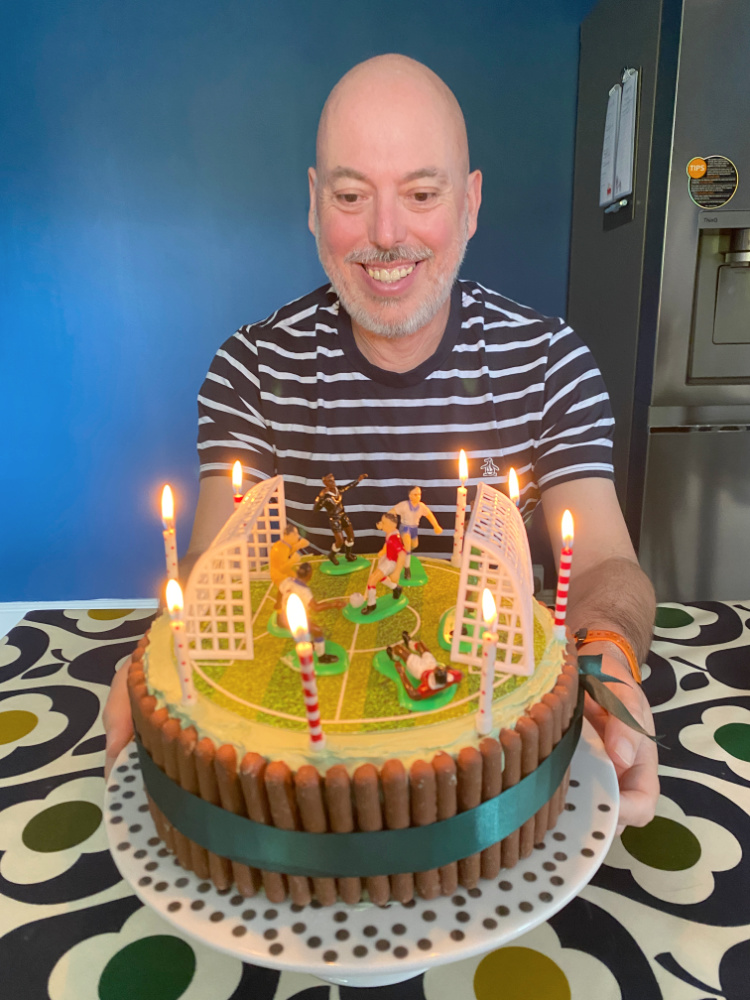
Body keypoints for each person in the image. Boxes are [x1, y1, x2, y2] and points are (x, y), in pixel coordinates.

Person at [105, 54, 658, 837]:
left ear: (469, 204)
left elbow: (607, 565)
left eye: (422, 194)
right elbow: (209, 571)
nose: (386, 235)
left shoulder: (549, 363)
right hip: (290, 802)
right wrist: (158, 660)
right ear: (313, 202)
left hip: (497, 784)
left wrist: (607, 669)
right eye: (352, 195)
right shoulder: (252, 369)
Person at [277, 562, 345, 664]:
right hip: (293, 620)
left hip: (282, 616)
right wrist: (334, 604)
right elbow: (316, 608)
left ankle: (309, 643)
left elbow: (279, 592)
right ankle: (322, 657)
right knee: (317, 630)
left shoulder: (288, 580)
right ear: (309, 575)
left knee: (308, 625)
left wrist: (278, 606)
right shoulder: (304, 591)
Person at [387, 631, 462, 700]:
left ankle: (394, 657)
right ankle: (409, 643)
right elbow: (460, 674)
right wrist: (449, 668)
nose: (440, 667)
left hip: (421, 670)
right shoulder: (452, 676)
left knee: (398, 649)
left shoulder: (429, 686)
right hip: (431, 666)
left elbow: (413, 694)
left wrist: (401, 673)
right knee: (420, 645)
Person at [313, 472, 368, 564]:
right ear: (325, 483)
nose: (333, 482)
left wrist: (358, 480)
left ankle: (348, 554)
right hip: (334, 519)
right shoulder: (325, 496)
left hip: (343, 515)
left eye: (333, 479)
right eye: (330, 481)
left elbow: (348, 486)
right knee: (340, 541)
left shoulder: (338, 489)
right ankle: (331, 555)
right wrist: (320, 497)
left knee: (351, 536)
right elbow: (315, 509)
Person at [389, 485, 442, 578]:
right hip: (405, 528)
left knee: (414, 545)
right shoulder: (404, 505)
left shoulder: (422, 506)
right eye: (415, 494)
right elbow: (391, 511)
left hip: (414, 529)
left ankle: (401, 552)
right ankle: (407, 569)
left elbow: (429, 515)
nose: (418, 496)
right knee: (408, 547)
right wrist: (390, 523)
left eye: (419, 494)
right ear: (410, 496)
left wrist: (436, 526)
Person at [361, 512, 406, 616]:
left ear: (391, 524)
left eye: (384, 523)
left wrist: (397, 572)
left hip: (391, 562)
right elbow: (387, 543)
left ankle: (371, 604)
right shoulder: (392, 532)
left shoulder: (395, 539)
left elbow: (402, 554)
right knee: (380, 578)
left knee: (372, 579)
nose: (381, 524)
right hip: (387, 558)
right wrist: (383, 550)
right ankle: (396, 588)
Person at [269, 524, 309, 607]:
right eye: (295, 534)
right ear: (288, 535)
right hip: (279, 575)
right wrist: (292, 561)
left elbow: (290, 550)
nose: (297, 536)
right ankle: (286, 605)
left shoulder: (283, 545)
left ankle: (279, 603)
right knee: (296, 583)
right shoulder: (280, 548)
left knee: (295, 577)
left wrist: (299, 545)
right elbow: (281, 569)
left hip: (282, 573)